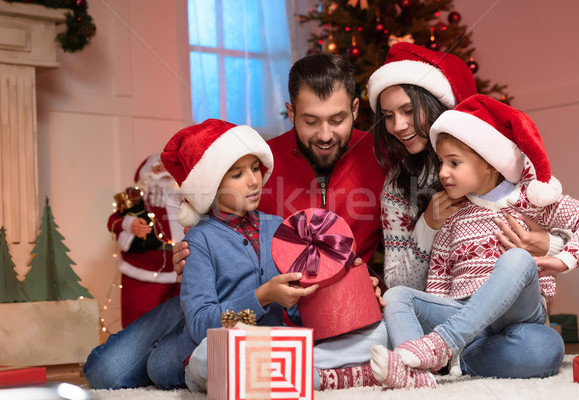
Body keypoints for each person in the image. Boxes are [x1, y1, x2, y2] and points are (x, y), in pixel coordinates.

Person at [84, 54, 389, 391]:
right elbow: (208, 219)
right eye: (311, 121)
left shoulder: (382, 157)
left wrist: (358, 288)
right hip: (215, 308)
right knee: (113, 371)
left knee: (379, 334)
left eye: (337, 119)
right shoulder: (259, 157)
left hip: (299, 319)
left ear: (356, 109)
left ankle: (301, 369)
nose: (325, 133)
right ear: (291, 114)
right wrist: (190, 256)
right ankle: (180, 355)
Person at [369, 94, 579, 389]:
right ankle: (417, 372)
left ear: (490, 164)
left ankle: (441, 346)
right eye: (441, 162)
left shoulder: (530, 199)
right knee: (399, 295)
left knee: (522, 274)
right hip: (466, 319)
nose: (443, 173)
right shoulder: (450, 217)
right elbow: (438, 282)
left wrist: (563, 259)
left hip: (519, 314)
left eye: (454, 163)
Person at [158, 119, 318, 391]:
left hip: (270, 341)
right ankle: (271, 373)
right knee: (211, 354)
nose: (255, 180)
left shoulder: (279, 227)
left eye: (255, 168)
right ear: (212, 186)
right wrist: (263, 296)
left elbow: (295, 311)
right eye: (237, 174)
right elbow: (199, 325)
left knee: (354, 341)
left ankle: (277, 371)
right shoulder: (199, 241)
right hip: (213, 347)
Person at [107, 154, 183, 327]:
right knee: (141, 326)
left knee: (176, 325)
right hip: (143, 270)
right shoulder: (135, 199)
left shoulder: (182, 199)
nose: (163, 174)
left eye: (167, 169)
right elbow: (114, 221)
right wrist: (130, 223)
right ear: (146, 174)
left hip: (178, 269)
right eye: (158, 169)